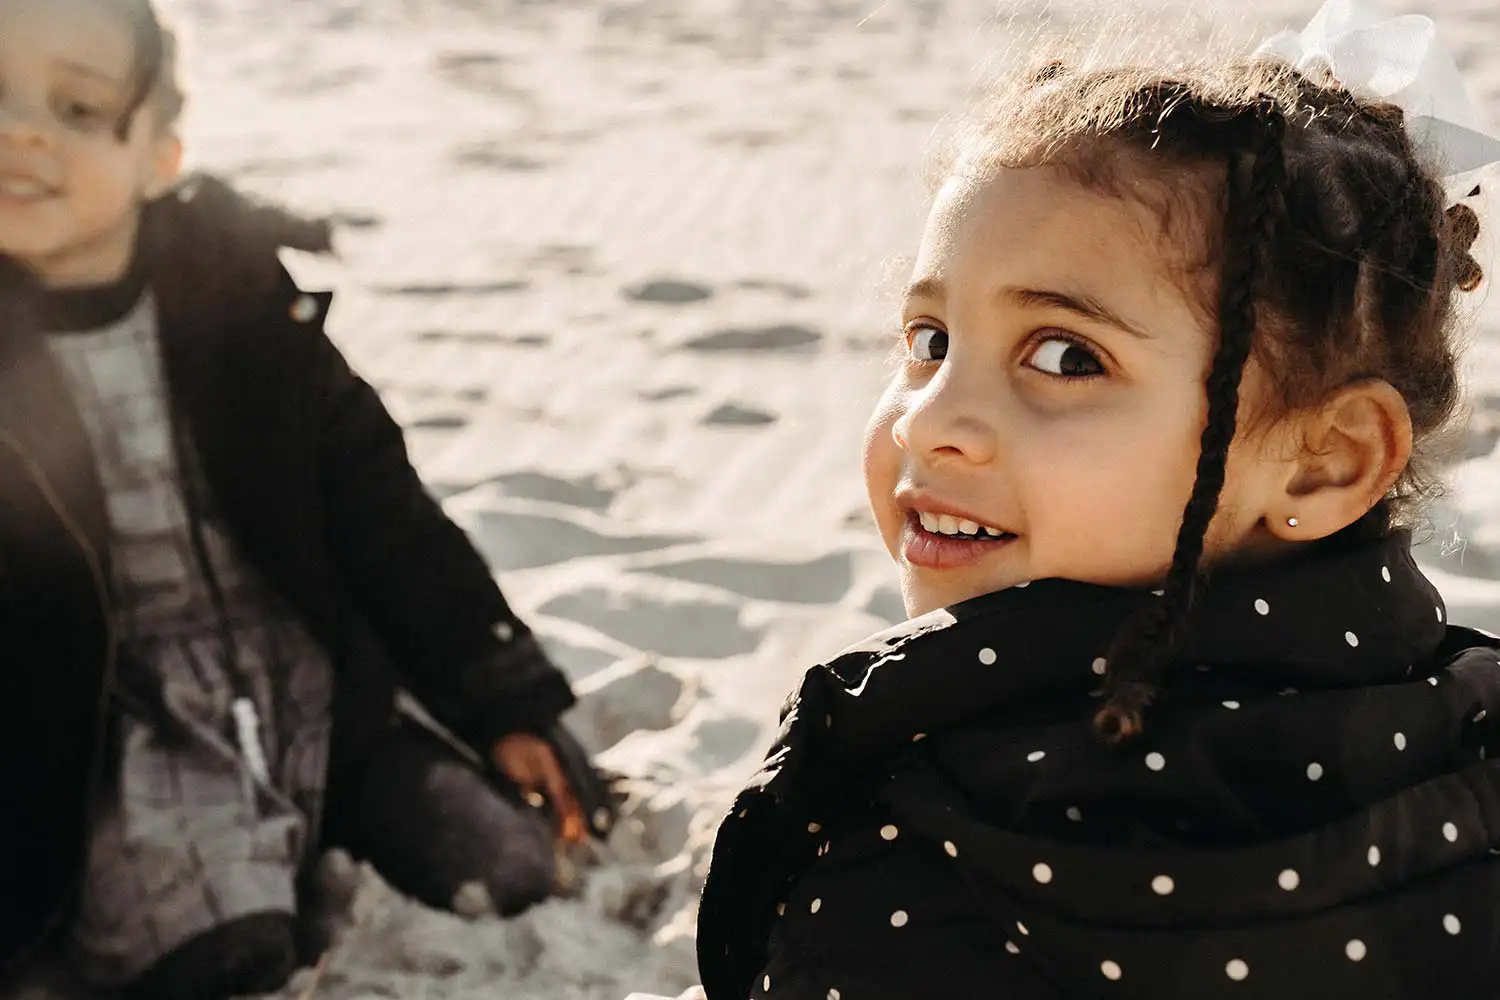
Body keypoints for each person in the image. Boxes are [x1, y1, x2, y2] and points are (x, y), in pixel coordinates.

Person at [693, 2, 1500, 998]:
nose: (929, 421)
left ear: (1325, 460)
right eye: (929, 342)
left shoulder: (903, 871)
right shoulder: (1463, 748)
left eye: (1065, 357)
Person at [0, 1, 615, 998]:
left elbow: (388, 518)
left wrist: (505, 694)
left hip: (322, 698)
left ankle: (333, 814)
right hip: (120, 736)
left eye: (76, 106)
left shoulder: (244, 308)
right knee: (227, 947)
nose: (22, 129)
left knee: (506, 868)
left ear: (159, 153)